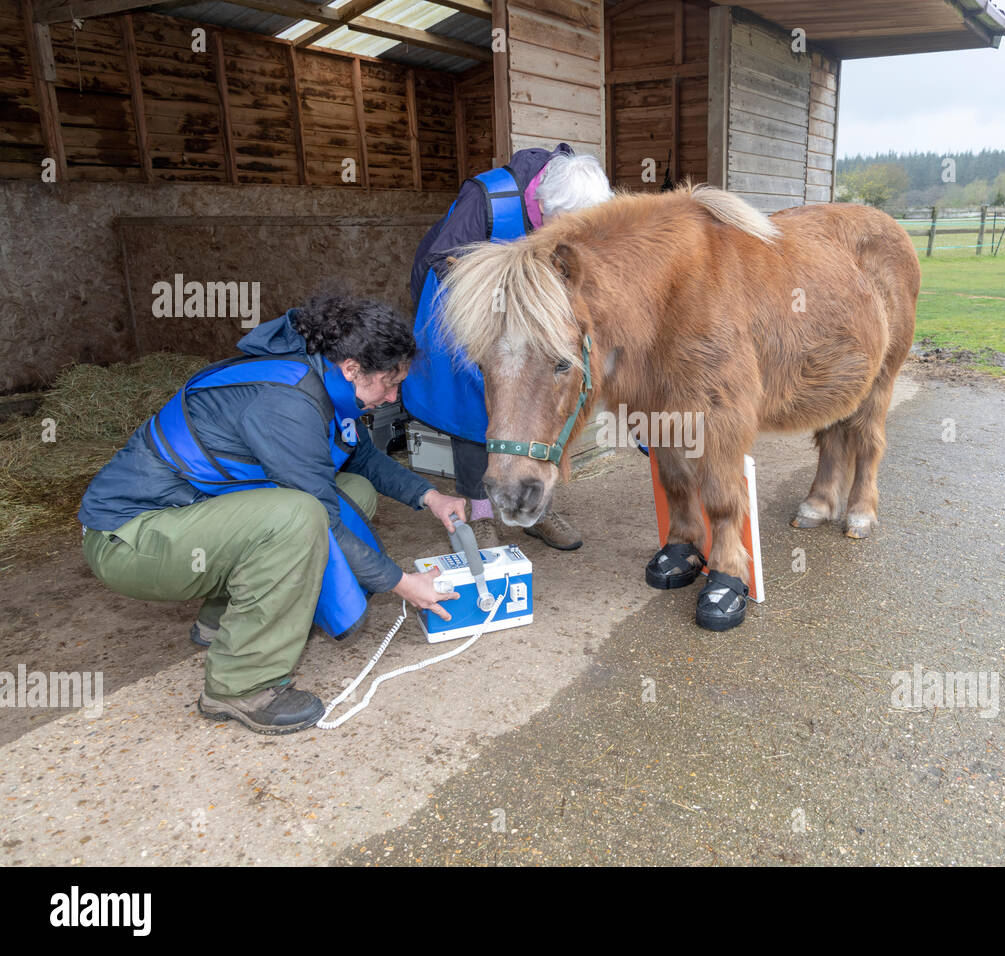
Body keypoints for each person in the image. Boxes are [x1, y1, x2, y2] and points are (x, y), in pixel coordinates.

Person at [78, 295, 466, 735]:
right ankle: (239, 685)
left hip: (188, 524)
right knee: (297, 515)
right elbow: (322, 518)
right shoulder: (287, 402)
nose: (394, 397)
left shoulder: (317, 378)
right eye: (388, 384)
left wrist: (429, 496)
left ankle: (221, 621)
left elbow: (359, 457)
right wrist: (402, 583)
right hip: (131, 540)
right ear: (352, 368)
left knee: (351, 491)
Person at [403, 144, 613, 551]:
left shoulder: (570, 203)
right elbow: (446, 261)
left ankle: (537, 502)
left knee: (543, 403)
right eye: (563, 224)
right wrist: (508, 297)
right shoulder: (485, 198)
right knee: (472, 413)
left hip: (531, 325)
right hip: (475, 318)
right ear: (541, 203)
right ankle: (480, 514)